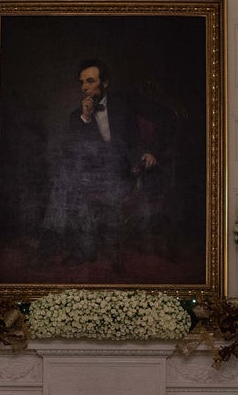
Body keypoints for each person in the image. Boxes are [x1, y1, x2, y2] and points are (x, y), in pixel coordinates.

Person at [41, 59, 172, 269]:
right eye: (82, 82)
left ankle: (63, 247)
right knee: (66, 181)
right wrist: (86, 118)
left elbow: (156, 125)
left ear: (105, 83)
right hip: (91, 176)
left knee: (66, 183)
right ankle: (71, 246)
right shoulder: (77, 117)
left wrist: (150, 152)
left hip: (123, 175)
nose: (84, 87)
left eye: (90, 81)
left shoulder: (124, 105)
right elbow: (73, 152)